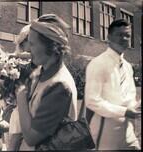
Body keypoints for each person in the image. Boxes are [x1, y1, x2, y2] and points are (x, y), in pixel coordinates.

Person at [15, 14, 78, 150]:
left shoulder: (59, 86)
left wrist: (20, 98)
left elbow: (31, 137)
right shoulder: (41, 73)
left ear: (52, 46)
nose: (27, 49)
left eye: (32, 44)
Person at [85, 19, 141, 150]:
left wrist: (136, 108)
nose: (124, 39)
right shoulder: (98, 63)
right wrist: (124, 112)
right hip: (105, 136)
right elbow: (92, 101)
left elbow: (129, 98)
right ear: (109, 37)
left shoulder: (127, 67)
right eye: (119, 35)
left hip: (128, 133)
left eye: (127, 35)